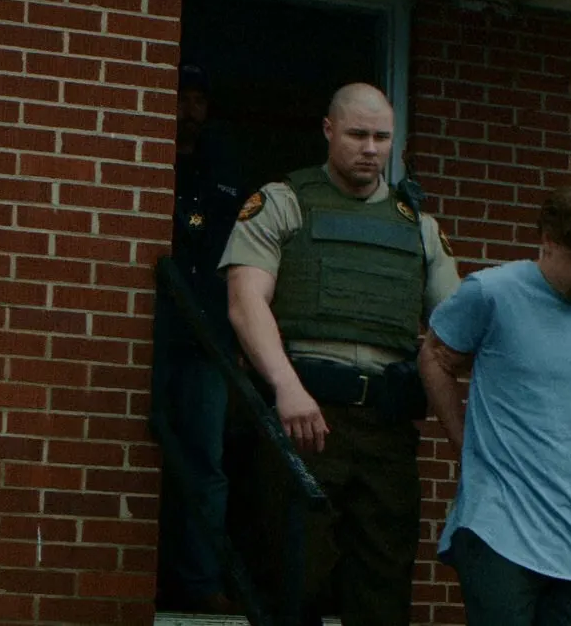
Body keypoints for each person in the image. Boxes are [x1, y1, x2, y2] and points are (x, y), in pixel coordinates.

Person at [220, 82, 461, 626]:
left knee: (382, 589)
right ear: (328, 130)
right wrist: (286, 387)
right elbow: (245, 303)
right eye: (357, 135)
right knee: (293, 580)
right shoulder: (283, 202)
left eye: (382, 137)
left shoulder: (419, 228)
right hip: (304, 417)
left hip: (387, 427)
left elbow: (457, 326)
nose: (371, 149)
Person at [421, 179, 571, 626]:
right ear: (549, 242)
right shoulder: (491, 292)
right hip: (498, 523)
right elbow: (435, 356)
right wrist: (464, 443)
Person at [150, 64, 245, 614]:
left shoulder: (224, 172)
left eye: (198, 100)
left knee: (206, 458)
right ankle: (149, 575)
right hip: (152, 334)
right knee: (148, 449)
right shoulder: (147, 160)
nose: (189, 111)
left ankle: (201, 579)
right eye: (181, 98)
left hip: (209, 337)